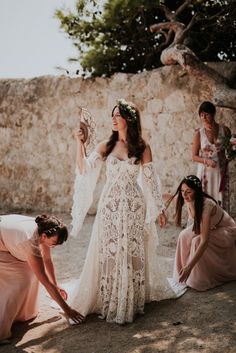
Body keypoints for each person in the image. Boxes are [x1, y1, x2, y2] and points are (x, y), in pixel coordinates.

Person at [70, 98, 180, 324]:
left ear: (128, 119)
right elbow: (84, 169)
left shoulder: (142, 147)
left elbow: (149, 181)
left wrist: (159, 209)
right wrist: (79, 143)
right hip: (109, 206)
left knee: (131, 250)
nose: (113, 118)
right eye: (112, 115)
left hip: (133, 205)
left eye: (117, 115)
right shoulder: (106, 145)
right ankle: (111, 299)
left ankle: (131, 300)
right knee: (109, 251)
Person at [0, 214, 84, 343]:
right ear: (44, 236)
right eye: (54, 243)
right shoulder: (31, 242)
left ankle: (21, 314)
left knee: (31, 274)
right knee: (18, 283)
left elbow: (47, 260)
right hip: (2, 243)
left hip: (8, 235)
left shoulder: (43, 231)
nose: (54, 246)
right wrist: (68, 310)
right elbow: (45, 281)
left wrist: (56, 285)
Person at [167, 175, 236, 291]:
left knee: (197, 241)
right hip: (212, 227)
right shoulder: (189, 200)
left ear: (197, 191)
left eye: (188, 192)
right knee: (183, 235)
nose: (184, 195)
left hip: (227, 231)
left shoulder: (206, 205)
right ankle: (181, 274)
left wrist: (190, 266)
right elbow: (192, 226)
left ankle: (197, 278)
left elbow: (204, 241)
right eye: (182, 191)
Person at [192, 101, 231, 212]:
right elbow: (194, 156)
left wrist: (230, 155)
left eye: (206, 114)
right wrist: (206, 161)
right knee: (205, 201)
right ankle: (205, 225)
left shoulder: (225, 130)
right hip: (205, 174)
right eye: (201, 114)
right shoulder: (199, 133)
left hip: (221, 171)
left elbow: (230, 149)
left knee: (221, 199)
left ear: (213, 114)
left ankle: (221, 225)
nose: (203, 117)